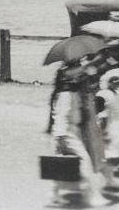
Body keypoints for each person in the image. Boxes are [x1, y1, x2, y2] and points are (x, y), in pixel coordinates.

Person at [46, 59, 108, 207]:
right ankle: (94, 195)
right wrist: (61, 138)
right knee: (85, 162)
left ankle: (54, 195)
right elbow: (61, 117)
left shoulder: (72, 93)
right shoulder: (66, 95)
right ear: (68, 79)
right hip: (66, 134)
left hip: (69, 133)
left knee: (61, 165)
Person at [96, 68, 119, 165]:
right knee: (109, 145)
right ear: (108, 82)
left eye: (118, 79)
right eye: (113, 80)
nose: (116, 81)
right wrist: (102, 127)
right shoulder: (103, 94)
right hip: (108, 122)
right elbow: (99, 111)